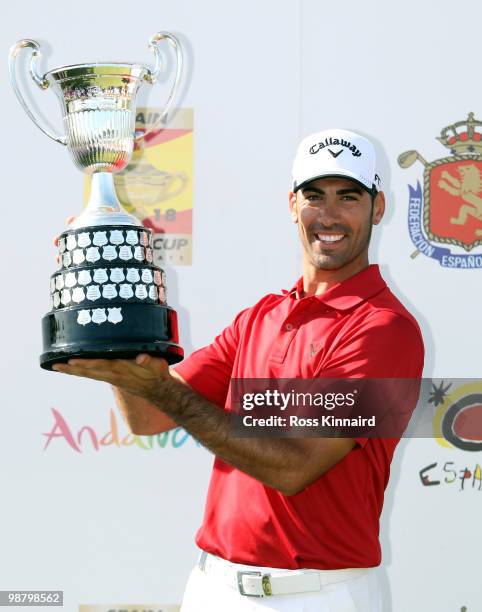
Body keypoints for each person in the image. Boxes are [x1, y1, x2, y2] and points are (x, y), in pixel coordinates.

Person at [53, 129, 425, 611]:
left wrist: (162, 389)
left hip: (319, 596)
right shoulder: (261, 317)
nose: (328, 215)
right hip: (214, 588)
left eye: (348, 197)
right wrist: (119, 318)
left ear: (377, 208)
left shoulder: (384, 329)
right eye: (314, 196)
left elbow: (295, 466)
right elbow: (147, 417)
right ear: (292, 205)